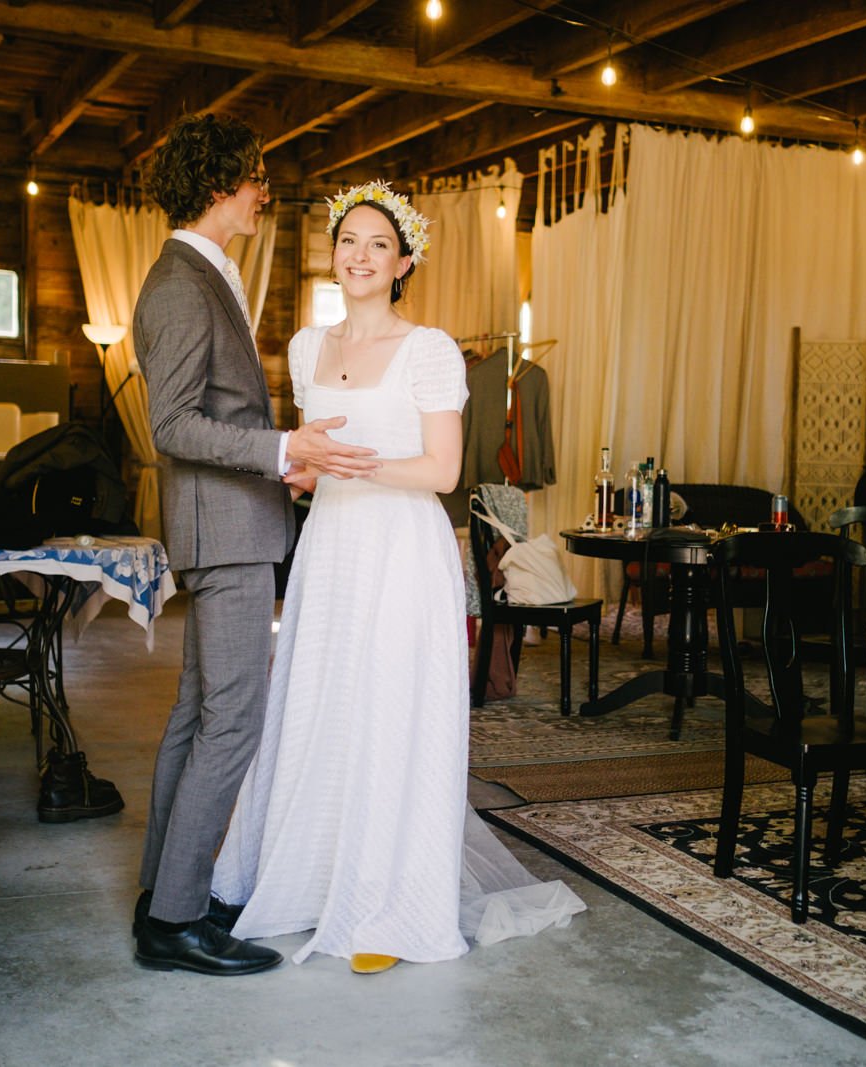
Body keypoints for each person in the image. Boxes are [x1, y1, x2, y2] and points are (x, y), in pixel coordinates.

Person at [212, 181, 585, 974]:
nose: (360, 254)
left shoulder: (431, 349)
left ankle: (387, 903)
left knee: (390, 713)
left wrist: (361, 463)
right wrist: (303, 474)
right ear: (334, 254)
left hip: (405, 553)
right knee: (323, 705)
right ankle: (313, 878)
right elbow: (310, 466)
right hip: (333, 549)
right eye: (349, 240)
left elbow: (445, 468)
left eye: (379, 243)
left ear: (403, 260)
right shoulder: (308, 347)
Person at [131, 114, 380, 976]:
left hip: (232, 519)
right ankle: (176, 920)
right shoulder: (179, 282)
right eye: (254, 177)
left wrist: (288, 467)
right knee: (233, 719)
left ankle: (160, 896)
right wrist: (285, 449)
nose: (263, 192)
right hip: (223, 533)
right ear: (217, 185)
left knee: (199, 713)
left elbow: (220, 414)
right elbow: (172, 426)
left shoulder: (208, 272)